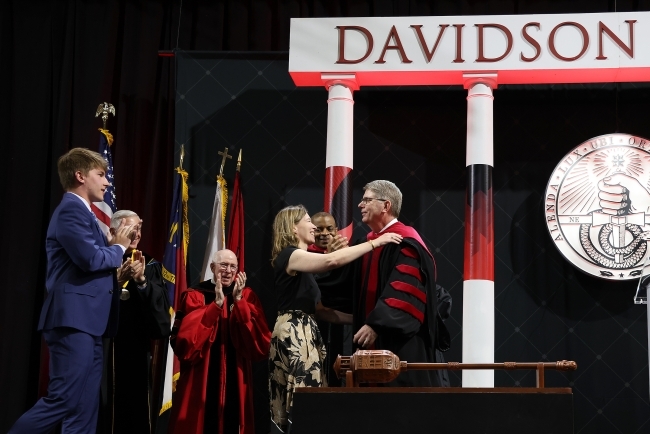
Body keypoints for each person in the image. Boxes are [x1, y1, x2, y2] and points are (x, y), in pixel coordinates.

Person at [8, 148, 134, 434]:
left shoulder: (85, 215)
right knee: (63, 400)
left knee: (85, 409)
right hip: (72, 320)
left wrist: (117, 263)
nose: (107, 182)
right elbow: (90, 259)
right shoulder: (70, 210)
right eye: (101, 175)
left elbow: (91, 265)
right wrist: (118, 247)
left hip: (91, 323)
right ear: (80, 176)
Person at [269, 205, 402, 432]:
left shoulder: (302, 265)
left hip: (305, 328)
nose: (313, 226)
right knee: (303, 396)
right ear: (293, 227)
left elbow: (322, 311)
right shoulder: (290, 255)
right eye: (309, 221)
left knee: (308, 395)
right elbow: (331, 261)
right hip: (294, 333)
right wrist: (374, 243)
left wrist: (363, 320)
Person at [352, 180, 450, 387]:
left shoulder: (405, 242)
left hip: (400, 345)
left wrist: (377, 323)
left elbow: (405, 287)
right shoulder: (368, 242)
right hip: (372, 347)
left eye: (367, 200)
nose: (360, 205)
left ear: (386, 206)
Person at [169, 249, 271, 434]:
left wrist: (239, 302)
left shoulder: (246, 296)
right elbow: (185, 345)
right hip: (201, 378)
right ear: (212, 267)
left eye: (233, 266)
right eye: (223, 265)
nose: (228, 270)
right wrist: (215, 305)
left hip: (236, 376)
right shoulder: (195, 295)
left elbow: (259, 344)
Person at [97, 210, 171, 434]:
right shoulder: (100, 260)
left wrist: (142, 283)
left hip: (136, 353)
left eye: (139, 228)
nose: (137, 233)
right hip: (101, 350)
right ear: (114, 231)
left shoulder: (148, 266)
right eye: (132, 228)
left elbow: (161, 322)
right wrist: (117, 281)